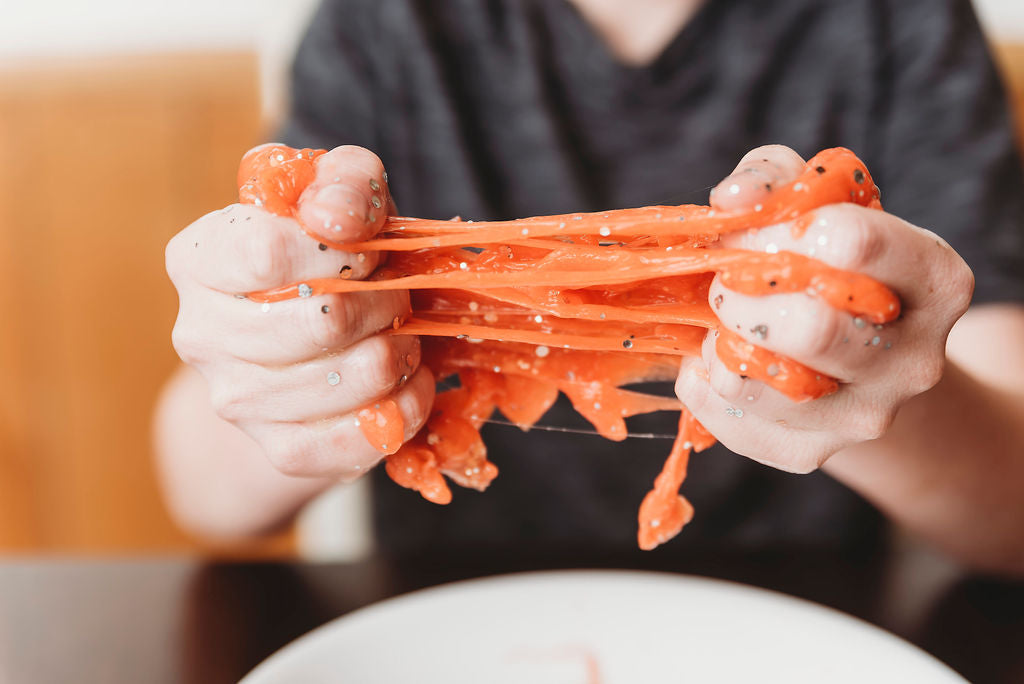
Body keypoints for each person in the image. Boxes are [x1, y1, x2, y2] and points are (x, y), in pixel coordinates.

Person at [156, 0, 1024, 573]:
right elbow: (202, 493)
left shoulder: (899, 24)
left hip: (805, 618)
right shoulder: (382, 28)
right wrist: (277, 353)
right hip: (457, 630)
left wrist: (860, 374)